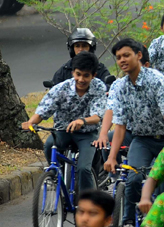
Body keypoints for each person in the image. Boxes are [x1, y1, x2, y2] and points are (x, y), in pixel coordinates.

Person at [103, 38, 164, 227]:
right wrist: (111, 157)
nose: (122, 60)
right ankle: (129, 220)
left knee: (163, 179)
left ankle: (163, 221)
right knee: (133, 177)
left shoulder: (157, 80)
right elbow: (119, 126)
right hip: (142, 139)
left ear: (138, 55)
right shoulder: (120, 87)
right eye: (118, 57)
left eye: (126, 55)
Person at [22, 51, 106, 193]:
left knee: (84, 168)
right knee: (49, 145)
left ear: (93, 75)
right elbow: (43, 110)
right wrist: (30, 122)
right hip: (63, 130)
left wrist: (82, 121)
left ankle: (88, 202)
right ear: (73, 73)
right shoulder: (61, 88)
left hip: (87, 134)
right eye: (78, 74)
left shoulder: (99, 88)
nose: (81, 79)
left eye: (86, 76)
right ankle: (55, 177)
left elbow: (98, 115)